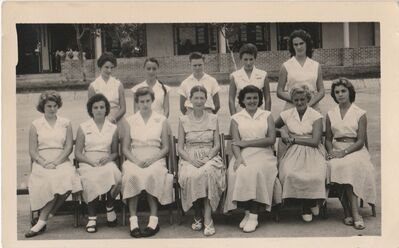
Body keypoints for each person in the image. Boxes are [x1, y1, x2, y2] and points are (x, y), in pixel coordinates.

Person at [224, 85, 281, 233]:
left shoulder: (267, 115)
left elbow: (271, 139)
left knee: (255, 171)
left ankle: (254, 215)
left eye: (255, 97)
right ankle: (247, 211)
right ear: (242, 100)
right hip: (243, 153)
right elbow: (236, 142)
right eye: (248, 98)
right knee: (238, 170)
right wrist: (238, 157)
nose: (252, 101)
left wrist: (247, 142)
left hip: (264, 153)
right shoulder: (236, 118)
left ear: (259, 99)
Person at [25, 91, 82, 238]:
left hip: (61, 160)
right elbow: (32, 150)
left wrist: (56, 162)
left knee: (69, 178)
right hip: (42, 161)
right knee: (51, 180)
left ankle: (43, 219)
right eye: (48, 106)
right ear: (42, 107)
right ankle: (45, 218)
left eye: (55, 106)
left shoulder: (65, 123)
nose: (52, 109)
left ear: (58, 106)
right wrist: (44, 163)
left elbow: (69, 147)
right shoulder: (35, 124)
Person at [121, 87, 173, 238]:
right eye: (141, 101)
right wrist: (136, 161)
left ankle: (153, 220)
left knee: (151, 174)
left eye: (147, 101)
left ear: (152, 101)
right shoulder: (129, 120)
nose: (145, 104)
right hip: (134, 158)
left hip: (155, 158)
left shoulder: (161, 119)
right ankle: (133, 221)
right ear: (136, 103)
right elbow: (125, 148)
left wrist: (153, 159)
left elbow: (166, 147)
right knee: (132, 175)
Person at [325, 78, 377, 230]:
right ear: (334, 95)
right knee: (334, 165)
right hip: (336, 148)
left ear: (350, 92)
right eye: (337, 92)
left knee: (348, 165)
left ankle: (354, 213)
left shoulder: (360, 113)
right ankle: (347, 211)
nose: (340, 94)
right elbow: (328, 139)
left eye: (343, 91)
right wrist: (331, 152)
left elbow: (361, 141)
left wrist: (344, 152)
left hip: (355, 150)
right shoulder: (330, 114)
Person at [275, 84, 327, 222]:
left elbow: (315, 141)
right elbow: (271, 127)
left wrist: (292, 139)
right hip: (292, 151)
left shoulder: (316, 115)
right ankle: (304, 203)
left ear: (308, 99)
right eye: (296, 100)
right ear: (292, 100)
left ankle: (311, 201)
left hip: (313, 150)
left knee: (316, 173)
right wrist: (282, 131)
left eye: (302, 99)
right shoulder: (286, 114)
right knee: (290, 173)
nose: (299, 103)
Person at [177, 85, 225, 236]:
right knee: (191, 175)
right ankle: (197, 214)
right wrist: (191, 159)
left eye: (201, 98)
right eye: (195, 98)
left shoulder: (213, 118)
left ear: (206, 100)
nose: (199, 101)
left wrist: (207, 157)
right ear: (190, 100)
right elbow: (180, 148)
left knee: (208, 172)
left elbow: (217, 144)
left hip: (209, 156)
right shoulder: (183, 120)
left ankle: (208, 218)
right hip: (189, 156)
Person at [75, 94, 122, 233]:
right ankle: (92, 217)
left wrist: (109, 158)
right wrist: (89, 162)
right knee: (90, 178)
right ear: (91, 110)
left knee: (116, 175)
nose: (99, 110)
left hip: (106, 161)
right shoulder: (83, 127)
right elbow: (78, 153)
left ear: (106, 109)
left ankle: (110, 206)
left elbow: (115, 152)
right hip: (87, 162)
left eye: (102, 107)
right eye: (95, 107)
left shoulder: (112, 128)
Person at [276, 29, 325, 159]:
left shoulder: (315, 65)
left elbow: (321, 90)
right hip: (292, 107)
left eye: (301, 43)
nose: (298, 47)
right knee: (290, 142)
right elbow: (279, 91)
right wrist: (297, 101)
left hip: (313, 106)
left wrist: (309, 103)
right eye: (295, 44)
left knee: (313, 139)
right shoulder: (286, 65)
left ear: (307, 44)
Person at [88, 52, 126, 135]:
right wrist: (102, 121)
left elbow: (123, 108)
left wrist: (113, 120)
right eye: (106, 67)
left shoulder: (118, 84)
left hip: (117, 120)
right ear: (100, 66)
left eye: (111, 68)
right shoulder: (93, 86)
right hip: (100, 121)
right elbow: (90, 109)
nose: (109, 70)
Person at [228, 43, 272, 115]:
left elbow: (267, 98)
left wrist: (266, 116)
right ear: (241, 59)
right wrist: (234, 117)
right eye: (245, 59)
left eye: (251, 59)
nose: (248, 63)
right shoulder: (235, 76)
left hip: (259, 114)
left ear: (255, 58)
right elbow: (231, 99)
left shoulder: (263, 75)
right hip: (241, 113)